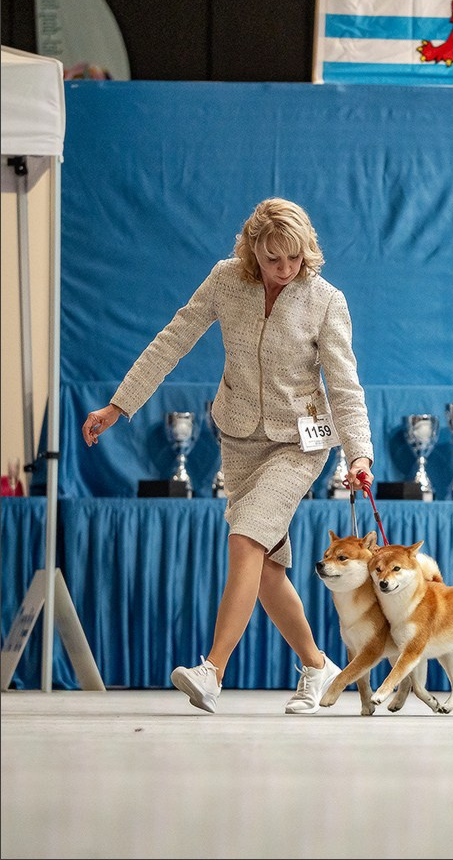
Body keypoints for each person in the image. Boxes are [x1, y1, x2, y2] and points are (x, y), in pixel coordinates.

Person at [81, 198, 374, 715]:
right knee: (264, 571)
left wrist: (358, 456)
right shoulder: (225, 280)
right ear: (252, 253)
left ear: (308, 251)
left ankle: (212, 670)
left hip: (298, 444)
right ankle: (317, 666)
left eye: (295, 258)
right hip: (238, 440)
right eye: (272, 260)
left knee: (244, 540)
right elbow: (172, 341)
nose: (285, 270)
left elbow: (345, 387)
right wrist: (119, 405)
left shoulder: (326, 300)